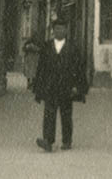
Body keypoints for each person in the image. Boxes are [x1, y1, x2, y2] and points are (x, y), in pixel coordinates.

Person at [32, 15, 88, 152]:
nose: (59, 31)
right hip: (50, 86)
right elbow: (41, 68)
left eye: (62, 29)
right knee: (49, 113)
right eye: (57, 29)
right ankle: (48, 141)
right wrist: (39, 87)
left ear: (66, 31)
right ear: (53, 31)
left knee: (66, 114)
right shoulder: (47, 47)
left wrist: (78, 87)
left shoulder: (73, 48)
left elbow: (79, 68)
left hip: (66, 86)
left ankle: (67, 141)